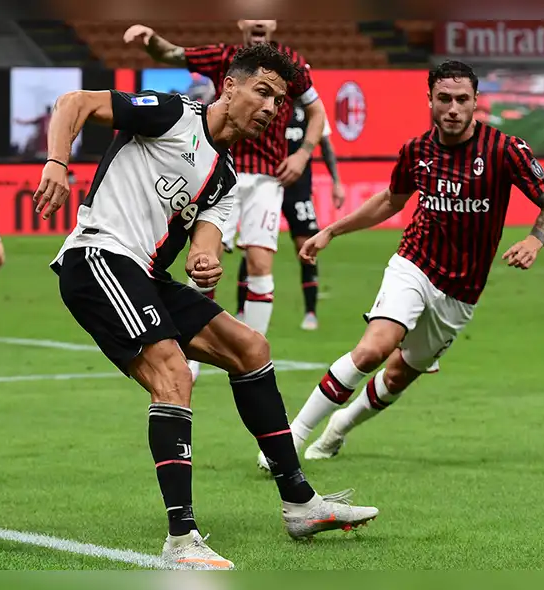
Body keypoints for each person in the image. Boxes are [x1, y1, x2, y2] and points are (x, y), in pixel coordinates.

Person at [33, 44, 377, 571]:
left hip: (146, 274)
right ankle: (181, 539)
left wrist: (206, 263)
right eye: (261, 91)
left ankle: (300, 503)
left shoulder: (226, 180)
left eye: (279, 100)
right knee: (173, 373)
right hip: (97, 254)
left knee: (250, 347)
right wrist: (57, 164)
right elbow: (73, 103)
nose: (269, 107)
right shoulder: (172, 114)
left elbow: (206, 247)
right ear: (229, 87)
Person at [258, 61, 544, 467]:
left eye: (461, 100)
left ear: (476, 102)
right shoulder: (416, 151)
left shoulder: (505, 149)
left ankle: (338, 429)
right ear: (430, 100)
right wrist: (332, 230)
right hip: (414, 263)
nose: (452, 108)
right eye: (444, 99)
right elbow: (391, 200)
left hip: (461, 292)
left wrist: (534, 239)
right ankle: (289, 440)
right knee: (373, 349)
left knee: (398, 374)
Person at [124, 20, 329, 380]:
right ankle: (192, 356)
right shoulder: (225, 57)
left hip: (267, 178)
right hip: (219, 170)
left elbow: (317, 110)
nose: (259, 23)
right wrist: (151, 39)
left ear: (275, 23)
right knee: (205, 262)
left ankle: (252, 351)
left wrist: (303, 153)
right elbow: (172, 54)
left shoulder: (292, 62)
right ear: (242, 23)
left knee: (260, 264)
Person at [234, 98, 345, 330]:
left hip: (298, 188)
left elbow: (325, 145)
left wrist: (336, 182)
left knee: (306, 246)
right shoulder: (267, 103)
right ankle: (242, 309)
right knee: (254, 249)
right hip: (265, 181)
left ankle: (311, 313)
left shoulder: (311, 107)